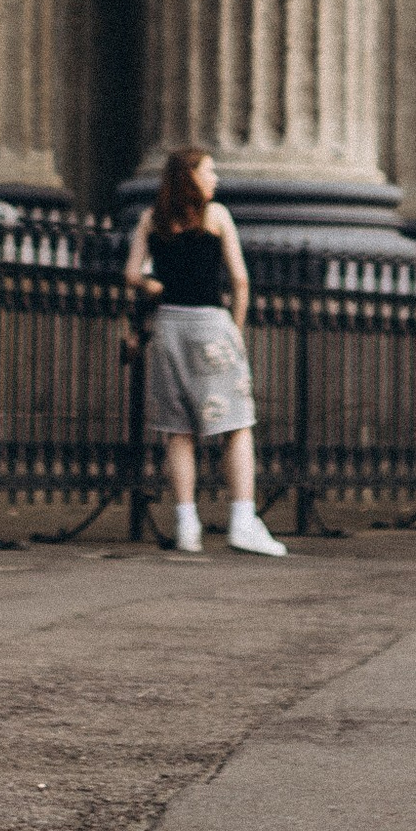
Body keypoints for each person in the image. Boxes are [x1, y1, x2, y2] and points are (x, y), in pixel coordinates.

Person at [123, 148, 284, 556]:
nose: (216, 178)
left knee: (178, 431)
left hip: (168, 329)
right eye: (209, 170)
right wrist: (237, 328)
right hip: (211, 325)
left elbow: (131, 274)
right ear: (190, 175)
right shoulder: (217, 217)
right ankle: (243, 521)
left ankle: (186, 524)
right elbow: (241, 281)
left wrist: (152, 287)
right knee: (236, 423)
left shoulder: (151, 219)